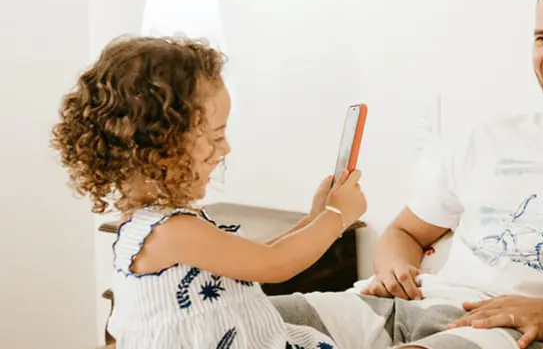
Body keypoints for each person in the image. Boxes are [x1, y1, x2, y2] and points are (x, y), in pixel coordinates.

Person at [268, 0, 543, 349]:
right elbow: (405, 232)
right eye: (541, 38)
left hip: (496, 330)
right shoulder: (486, 136)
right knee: (239, 317)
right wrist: (394, 270)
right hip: (401, 305)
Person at [50, 36, 369, 349]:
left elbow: (251, 262)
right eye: (216, 137)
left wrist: (315, 218)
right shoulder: (171, 232)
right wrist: (336, 218)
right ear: (161, 146)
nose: (225, 148)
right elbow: (274, 264)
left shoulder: (161, 224)